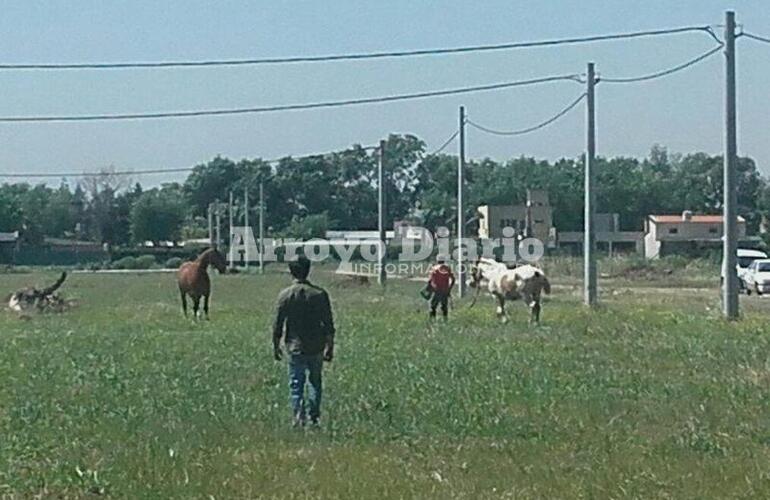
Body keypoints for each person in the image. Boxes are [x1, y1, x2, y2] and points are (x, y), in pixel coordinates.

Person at [272, 256, 335, 426]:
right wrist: (330, 346)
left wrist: (275, 345)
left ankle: (298, 417)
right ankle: (313, 417)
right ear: (308, 270)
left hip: (294, 346)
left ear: (291, 271)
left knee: (296, 383)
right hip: (316, 345)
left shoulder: (285, 295)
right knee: (315, 382)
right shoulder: (320, 294)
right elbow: (328, 324)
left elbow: (278, 324)